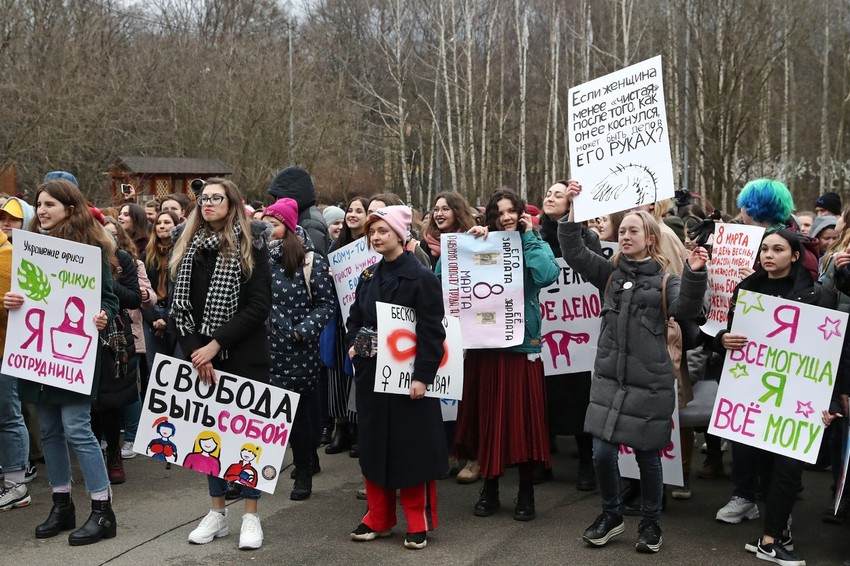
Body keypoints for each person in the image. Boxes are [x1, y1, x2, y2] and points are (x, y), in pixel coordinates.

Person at [559, 180, 709, 554]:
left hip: (652, 384)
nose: (624, 235)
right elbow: (574, 250)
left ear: (651, 239)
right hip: (610, 381)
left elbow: (686, 309)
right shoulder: (608, 274)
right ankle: (611, 515)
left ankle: (651, 523)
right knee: (602, 454)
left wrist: (694, 273)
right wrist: (571, 214)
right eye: (622, 229)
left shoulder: (666, 281)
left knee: (647, 456)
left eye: (632, 230)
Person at [5, 179, 120, 546]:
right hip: (38, 355)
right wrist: (12, 301)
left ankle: (102, 510)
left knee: (77, 428)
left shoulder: (89, 252)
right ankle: (61, 503)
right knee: (51, 430)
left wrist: (102, 314)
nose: (41, 210)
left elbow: (110, 299)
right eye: (38, 204)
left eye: (50, 204)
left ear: (70, 208)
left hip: (73, 357)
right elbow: (26, 296)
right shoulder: (28, 250)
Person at [716, 230, 834, 566]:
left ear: (795, 256)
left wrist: (835, 397)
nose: (769, 255)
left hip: (798, 394)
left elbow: (831, 350)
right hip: (755, 391)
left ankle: (773, 536)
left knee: (789, 464)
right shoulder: (747, 288)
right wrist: (724, 339)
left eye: (778, 249)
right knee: (765, 465)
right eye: (765, 249)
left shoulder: (815, 295)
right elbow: (730, 332)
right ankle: (775, 533)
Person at [169, 178, 271, 550]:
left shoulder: (252, 244)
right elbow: (180, 307)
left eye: (217, 198)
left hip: (244, 356)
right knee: (206, 437)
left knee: (248, 440)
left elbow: (259, 306)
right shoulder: (187, 245)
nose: (208, 203)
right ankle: (217, 513)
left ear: (232, 203)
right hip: (201, 360)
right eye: (204, 198)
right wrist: (197, 351)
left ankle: (250, 514)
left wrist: (216, 344)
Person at [453, 188, 560, 522]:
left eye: (511, 210)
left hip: (521, 347)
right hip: (486, 347)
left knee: (523, 423)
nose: (506, 217)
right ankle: (491, 487)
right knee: (489, 420)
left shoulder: (534, 242)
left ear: (520, 213)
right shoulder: (481, 242)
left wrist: (528, 239)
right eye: (499, 213)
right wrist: (470, 243)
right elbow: (447, 278)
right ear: (491, 218)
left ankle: (525, 491)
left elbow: (547, 275)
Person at [346, 205, 447, 550]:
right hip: (373, 376)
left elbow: (433, 331)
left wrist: (422, 376)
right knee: (374, 447)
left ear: (400, 235)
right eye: (372, 232)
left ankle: (417, 519)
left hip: (408, 381)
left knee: (411, 449)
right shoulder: (367, 276)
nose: (375, 237)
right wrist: (354, 347)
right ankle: (378, 516)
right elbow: (355, 319)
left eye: (383, 231)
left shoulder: (421, 277)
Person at [263, 198, 335, 501]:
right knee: (265, 416)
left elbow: (326, 304)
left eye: (274, 225)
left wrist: (299, 332)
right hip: (264, 350)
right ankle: (253, 473)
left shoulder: (310, 261)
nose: (267, 230)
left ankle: (304, 470)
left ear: (289, 228)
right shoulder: (257, 259)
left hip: (297, 351)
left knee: (300, 417)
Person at [538, 180, 603, 491]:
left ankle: (587, 464)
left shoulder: (587, 238)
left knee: (581, 396)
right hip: (545, 332)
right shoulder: (535, 236)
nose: (551, 197)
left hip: (580, 333)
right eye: (548, 193)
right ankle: (542, 461)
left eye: (558, 195)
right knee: (544, 397)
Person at [324, 196, 370, 456]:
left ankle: (358, 430)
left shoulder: (371, 246)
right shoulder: (336, 247)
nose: (352, 214)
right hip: (339, 320)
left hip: (361, 320)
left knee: (357, 374)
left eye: (358, 210)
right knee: (336, 375)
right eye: (349, 210)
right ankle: (340, 428)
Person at [0, 196, 36, 511]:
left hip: (6, 352)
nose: (6, 222)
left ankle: (15, 483)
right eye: (3, 217)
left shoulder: (9, 255)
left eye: (13, 217)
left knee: (9, 414)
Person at [143, 210, 183, 374]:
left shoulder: (182, 254)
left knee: (176, 367)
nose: (161, 226)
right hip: (151, 312)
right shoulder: (147, 255)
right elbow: (142, 288)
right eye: (158, 223)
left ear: (176, 226)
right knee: (155, 368)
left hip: (174, 312)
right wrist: (154, 319)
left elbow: (183, 290)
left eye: (167, 222)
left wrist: (167, 319)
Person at [267, 166, 329, 259]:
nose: (277, 203)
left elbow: (313, 261)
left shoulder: (310, 222)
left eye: (279, 197)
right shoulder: (302, 216)